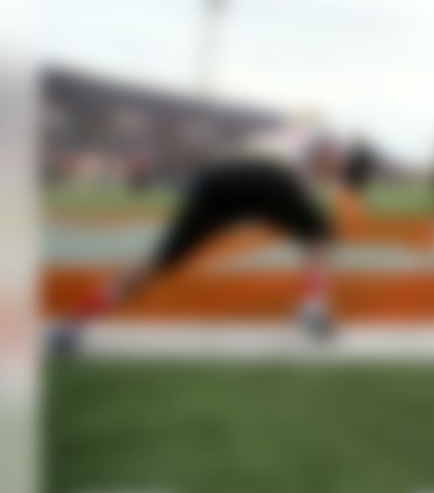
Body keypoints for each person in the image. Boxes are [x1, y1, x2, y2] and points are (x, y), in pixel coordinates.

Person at [49, 116, 343, 354]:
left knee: (158, 262)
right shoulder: (302, 146)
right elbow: (314, 157)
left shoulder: (279, 140)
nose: (335, 165)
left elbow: (279, 175)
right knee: (319, 237)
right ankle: (312, 308)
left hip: (215, 182)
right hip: (265, 178)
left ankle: (74, 324)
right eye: (333, 158)